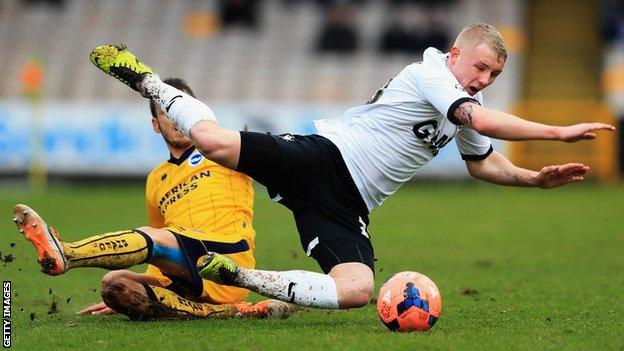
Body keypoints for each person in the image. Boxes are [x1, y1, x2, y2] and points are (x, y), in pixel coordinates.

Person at [88, 23, 615, 311]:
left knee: (358, 289)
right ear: (455, 54)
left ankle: (237, 276)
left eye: (494, 74)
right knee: (212, 140)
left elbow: (482, 162)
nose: (483, 78)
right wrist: (556, 131)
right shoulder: (430, 74)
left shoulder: (461, 98)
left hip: (347, 205)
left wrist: (532, 178)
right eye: (479, 67)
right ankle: (145, 80)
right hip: (326, 157)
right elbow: (478, 119)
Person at [12, 78, 290, 320]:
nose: (178, 119)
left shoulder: (223, 150)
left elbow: (156, 237)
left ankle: (69, 253)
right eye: (169, 112)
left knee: (151, 236)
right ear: (155, 125)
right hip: (185, 268)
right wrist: (146, 291)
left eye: (183, 110)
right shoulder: (156, 178)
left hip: (227, 260)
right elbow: (159, 242)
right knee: (115, 285)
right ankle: (235, 311)